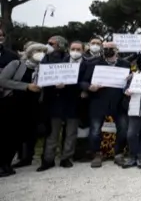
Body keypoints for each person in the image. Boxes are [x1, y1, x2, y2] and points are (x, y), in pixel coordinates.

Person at [38, 40, 88, 171]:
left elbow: (86, 81)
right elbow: (47, 77)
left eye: (78, 49)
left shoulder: (87, 65)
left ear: (83, 51)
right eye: (73, 48)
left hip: (75, 102)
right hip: (57, 102)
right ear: (69, 49)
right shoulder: (59, 62)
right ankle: (48, 160)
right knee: (53, 133)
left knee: (71, 133)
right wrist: (56, 84)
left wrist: (82, 88)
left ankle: (66, 158)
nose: (75, 52)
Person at [81, 41, 131, 168]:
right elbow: (83, 81)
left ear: (117, 50)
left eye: (111, 48)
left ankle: (118, 154)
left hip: (119, 103)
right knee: (95, 131)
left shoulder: (125, 64)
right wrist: (89, 87)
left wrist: (129, 85)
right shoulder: (94, 63)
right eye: (106, 48)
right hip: (98, 102)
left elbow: (129, 82)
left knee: (123, 129)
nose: (108, 50)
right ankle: (97, 154)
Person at [0, 42, 44, 177]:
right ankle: (1, 165)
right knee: (7, 135)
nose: (40, 53)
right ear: (30, 52)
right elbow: (2, 81)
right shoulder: (16, 64)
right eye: (37, 50)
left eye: (43, 51)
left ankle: (7, 163)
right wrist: (26, 86)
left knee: (20, 136)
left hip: (31, 106)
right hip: (12, 104)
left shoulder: (44, 68)